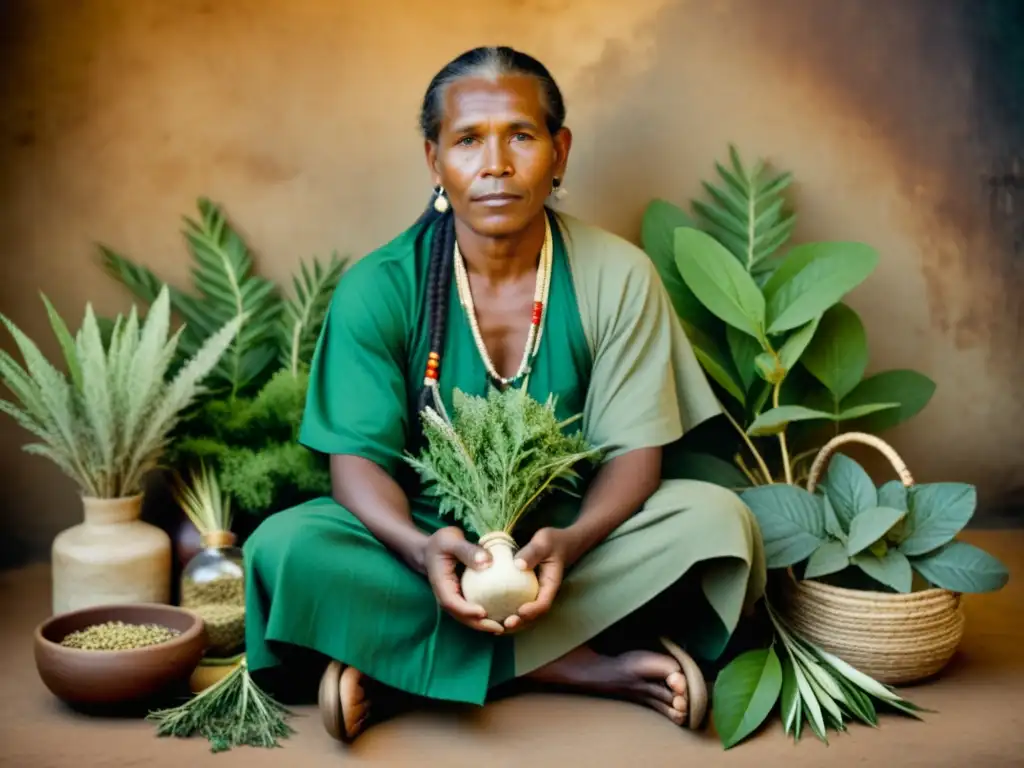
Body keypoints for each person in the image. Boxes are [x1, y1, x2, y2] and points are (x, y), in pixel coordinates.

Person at [242, 45, 765, 743]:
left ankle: (407, 667)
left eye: (520, 135)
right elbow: (356, 470)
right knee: (285, 548)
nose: (495, 164)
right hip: (428, 543)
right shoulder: (380, 287)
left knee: (717, 522)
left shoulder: (618, 275)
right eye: (468, 141)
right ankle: (572, 665)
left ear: (560, 151)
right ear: (435, 162)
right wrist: (421, 551)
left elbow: (637, 458)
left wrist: (572, 544)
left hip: (574, 535)